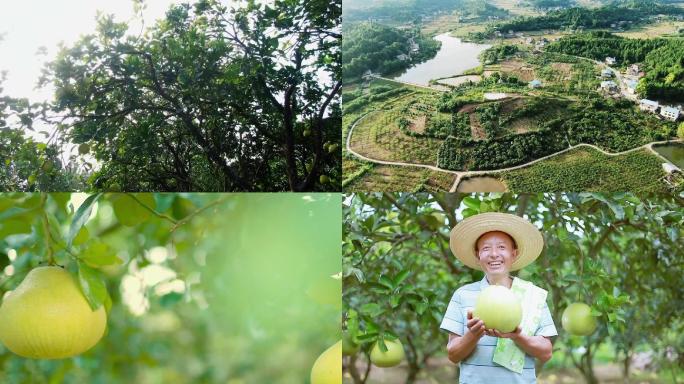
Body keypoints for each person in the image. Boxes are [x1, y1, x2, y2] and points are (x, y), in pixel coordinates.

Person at [440, 212, 557, 383]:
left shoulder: (533, 295)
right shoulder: (462, 295)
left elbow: (546, 353)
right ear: (478, 255)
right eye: (486, 248)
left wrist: (517, 336)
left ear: (514, 253)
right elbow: (453, 355)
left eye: (502, 247)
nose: (494, 254)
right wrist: (473, 335)